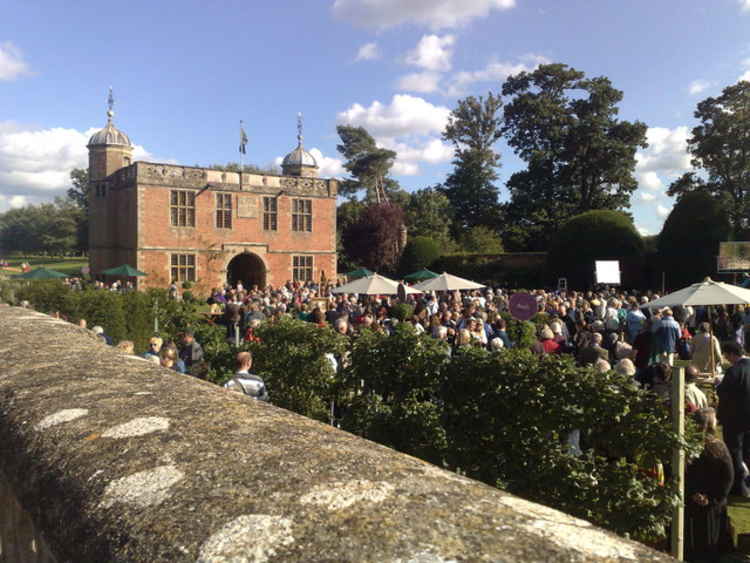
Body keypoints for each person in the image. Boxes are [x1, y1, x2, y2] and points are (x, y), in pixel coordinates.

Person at [684, 408, 734, 561]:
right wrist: (712, 497)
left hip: (694, 502)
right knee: (709, 546)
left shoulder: (685, 446)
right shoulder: (718, 447)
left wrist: (693, 494)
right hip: (710, 505)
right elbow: (728, 476)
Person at [717, 341, 750, 497]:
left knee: (735, 452)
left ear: (731, 354)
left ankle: (739, 485)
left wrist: (718, 384)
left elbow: (723, 393)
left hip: (735, 418)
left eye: (726, 356)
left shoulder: (734, 371)